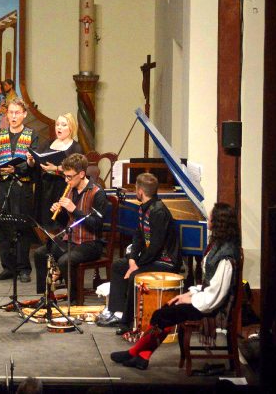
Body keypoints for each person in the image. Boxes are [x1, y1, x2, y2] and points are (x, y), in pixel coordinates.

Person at [110, 202, 241, 370]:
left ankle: (135, 353)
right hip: (205, 299)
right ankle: (142, 357)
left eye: (210, 218)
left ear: (219, 223)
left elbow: (216, 294)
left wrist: (192, 299)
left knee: (162, 315)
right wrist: (190, 294)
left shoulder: (226, 257)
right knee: (164, 312)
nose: (208, 220)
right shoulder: (218, 245)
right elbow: (210, 285)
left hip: (211, 307)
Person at [97, 173, 180, 333]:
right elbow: (138, 236)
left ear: (140, 190)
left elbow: (156, 246)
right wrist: (132, 260)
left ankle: (126, 322)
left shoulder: (158, 211)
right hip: (151, 258)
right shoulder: (144, 207)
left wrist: (137, 265)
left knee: (134, 276)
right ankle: (117, 312)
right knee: (118, 266)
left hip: (165, 261)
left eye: (136, 188)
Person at [33, 154, 108, 302]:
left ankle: (74, 300)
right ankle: (47, 297)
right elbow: (66, 222)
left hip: (91, 243)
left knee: (64, 261)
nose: (66, 180)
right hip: (71, 238)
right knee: (40, 253)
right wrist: (58, 213)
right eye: (65, 176)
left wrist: (74, 210)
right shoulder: (70, 190)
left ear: (81, 174)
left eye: (69, 176)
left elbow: (97, 225)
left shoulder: (98, 193)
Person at [0, 100, 40, 283]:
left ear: (24, 114)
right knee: (4, 226)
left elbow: (34, 162)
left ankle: (23, 268)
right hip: (4, 185)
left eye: (17, 112)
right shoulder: (0, 134)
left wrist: (18, 168)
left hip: (22, 186)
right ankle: (8, 267)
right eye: (11, 112)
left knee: (22, 227)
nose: (14, 116)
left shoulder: (32, 134)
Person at [33, 113, 83, 229]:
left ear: (71, 128)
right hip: (45, 186)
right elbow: (38, 159)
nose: (59, 127)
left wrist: (56, 168)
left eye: (63, 125)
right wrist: (32, 159)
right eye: (57, 124)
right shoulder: (48, 143)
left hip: (62, 186)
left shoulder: (76, 147)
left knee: (58, 222)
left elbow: (77, 168)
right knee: (44, 222)